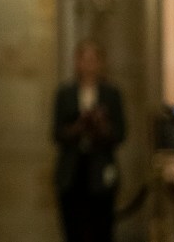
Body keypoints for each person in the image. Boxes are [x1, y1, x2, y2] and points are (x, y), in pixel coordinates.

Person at [53, 40, 126, 242]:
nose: (88, 65)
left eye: (93, 59)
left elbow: (120, 133)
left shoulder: (111, 94)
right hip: (73, 172)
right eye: (84, 59)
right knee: (73, 230)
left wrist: (101, 126)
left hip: (100, 170)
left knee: (102, 229)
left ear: (100, 63)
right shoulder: (65, 93)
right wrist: (78, 126)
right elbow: (56, 133)